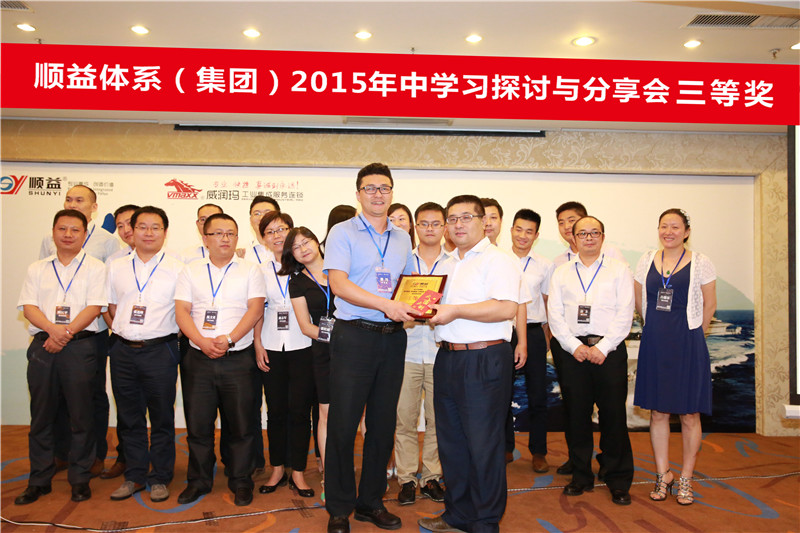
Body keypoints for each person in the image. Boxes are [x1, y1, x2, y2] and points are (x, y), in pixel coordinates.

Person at [417, 194, 524, 533]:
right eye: (452, 218)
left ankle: (485, 522)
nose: (457, 224)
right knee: (452, 444)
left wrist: (456, 311)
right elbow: (433, 308)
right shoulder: (446, 264)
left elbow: (506, 308)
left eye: (466, 217)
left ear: (483, 222)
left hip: (484, 358)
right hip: (447, 357)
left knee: (483, 445)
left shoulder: (498, 260)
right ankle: (458, 515)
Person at [323, 162, 415, 533]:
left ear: (392, 192)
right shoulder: (342, 232)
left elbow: (409, 282)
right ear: (359, 194)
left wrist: (418, 302)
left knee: (382, 424)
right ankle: (339, 508)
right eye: (370, 188)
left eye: (384, 188)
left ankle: (370, 502)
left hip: (392, 339)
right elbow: (339, 284)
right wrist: (386, 304)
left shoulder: (402, 237)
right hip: (354, 336)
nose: (378, 194)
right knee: (343, 425)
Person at [16, 209, 108, 505]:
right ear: (53, 232)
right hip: (43, 346)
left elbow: (94, 307)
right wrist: (53, 331)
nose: (68, 235)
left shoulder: (96, 267)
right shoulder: (38, 268)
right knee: (41, 415)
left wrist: (64, 333)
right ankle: (39, 480)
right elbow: (28, 307)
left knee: (81, 415)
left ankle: (80, 478)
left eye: (75, 230)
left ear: (84, 234)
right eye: (62, 229)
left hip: (80, 347)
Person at [174, 213, 266, 506]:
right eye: (218, 233)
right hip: (198, 358)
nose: (225, 238)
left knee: (241, 425)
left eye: (231, 233)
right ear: (205, 238)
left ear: (237, 238)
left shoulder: (250, 270)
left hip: (238, 358)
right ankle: (199, 481)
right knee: (198, 425)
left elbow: (255, 310)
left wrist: (229, 339)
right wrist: (202, 342)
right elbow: (182, 311)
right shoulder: (190, 271)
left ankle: (241, 480)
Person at [547, 216, 634, 506]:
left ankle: (617, 478)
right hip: (573, 353)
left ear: (603, 237)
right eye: (582, 233)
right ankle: (581, 475)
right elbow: (555, 314)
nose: (589, 238)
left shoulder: (619, 270)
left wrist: (604, 347)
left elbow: (625, 313)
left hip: (609, 351)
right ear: (573, 238)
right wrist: (574, 346)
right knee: (576, 415)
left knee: (613, 416)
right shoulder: (561, 272)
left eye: (594, 232)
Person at [633, 208, 716, 506]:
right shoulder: (646, 260)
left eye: (675, 227)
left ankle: (686, 479)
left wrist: (692, 336)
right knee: (658, 412)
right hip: (655, 342)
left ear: (686, 231)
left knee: (690, 414)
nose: (668, 232)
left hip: (687, 342)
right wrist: (655, 328)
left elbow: (709, 305)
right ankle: (662, 474)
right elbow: (640, 301)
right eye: (664, 226)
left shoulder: (701, 262)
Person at [106, 206, 184, 503]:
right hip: (123, 351)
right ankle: (135, 475)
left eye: (155, 227)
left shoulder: (178, 268)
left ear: (165, 232)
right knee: (129, 417)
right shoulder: (116, 266)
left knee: (162, 416)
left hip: (160, 350)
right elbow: (111, 306)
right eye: (142, 227)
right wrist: (126, 331)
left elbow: (184, 311)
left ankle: (160, 477)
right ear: (132, 231)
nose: (148, 233)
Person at [40, 185, 118, 478]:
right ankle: (62, 453)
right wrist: (53, 330)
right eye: (69, 199)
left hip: (90, 333)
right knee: (57, 396)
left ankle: (94, 455)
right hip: (52, 332)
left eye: (80, 200)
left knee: (91, 396)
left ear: (94, 207)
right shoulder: (50, 238)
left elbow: (108, 290)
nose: (73, 203)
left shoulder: (107, 242)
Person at [395, 202, 453, 506]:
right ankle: (406, 478)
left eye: (435, 223)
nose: (429, 229)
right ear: (415, 227)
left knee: (437, 420)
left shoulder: (454, 263)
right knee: (403, 419)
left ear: (445, 227)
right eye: (424, 223)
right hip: (405, 350)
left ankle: (431, 477)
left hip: (440, 351)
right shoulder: (403, 260)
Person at [254, 211, 316, 498]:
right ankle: (277, 468)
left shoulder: (305, 267)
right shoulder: (258, 270)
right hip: (270, 346)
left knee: (300, 412)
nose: (277, 235)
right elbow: (256, 310)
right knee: (276, 411)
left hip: (303, 345)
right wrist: (257, 343)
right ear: (263, 238)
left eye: (282, 229)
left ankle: (299, 472)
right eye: (270, 232)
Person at [280, 226, 336, 500]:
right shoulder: (297, 282)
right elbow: (305, 326)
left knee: (360, 413)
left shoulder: (340, 269)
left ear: (317, 241)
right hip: (325, 352)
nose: (303, 249)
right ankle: (329, 476)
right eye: (296, 247)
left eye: (306, 242)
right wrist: (337, 338)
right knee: (326, 413)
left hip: (356, 351)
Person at [505, 209, 555, 474]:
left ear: (536, 235)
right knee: (503, 393)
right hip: (504, 331)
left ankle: (539, 452)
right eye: (519, 229)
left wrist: (547, 335)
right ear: (511, 230)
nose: (522, 236)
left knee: (538, 395)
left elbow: (548, 303)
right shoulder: (499, 260)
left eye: (529, 231)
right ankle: (505, 447)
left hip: (534, 332)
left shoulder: (545, 266)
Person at [101, 203, 140, 480]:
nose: (126, 230)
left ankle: (160, 466)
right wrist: (118, 329)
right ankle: (126, 459)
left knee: (159, 411)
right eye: (120, 225)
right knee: (127, 409)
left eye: (131, 223)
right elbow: (105, 302)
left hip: (157, 346)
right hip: (122, 344)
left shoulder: (171, 261)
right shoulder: (114, 261)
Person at [553, 201, 626, 267]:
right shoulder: (558, 262)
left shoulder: (610, 251)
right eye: (561, 223)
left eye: (571, 220)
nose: (566, 227)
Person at [242, 195, 280, 264]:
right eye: (257, 214)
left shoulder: (291, 250)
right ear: (250, 220)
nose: (262, 218)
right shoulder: (243, 253)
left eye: (267, 213)